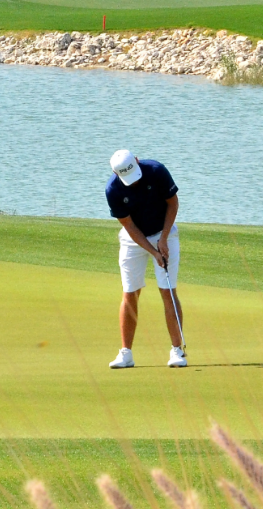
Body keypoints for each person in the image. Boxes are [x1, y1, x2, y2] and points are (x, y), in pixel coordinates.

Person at [105, 149, 186, 369]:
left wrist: (164, 239)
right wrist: (153, 251)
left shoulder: (157, 171)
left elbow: (173, 203)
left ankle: (177, 350)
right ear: (116, 173)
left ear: (137, 161)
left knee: (167, 290)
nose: (133, 183)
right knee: (130, 292)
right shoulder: (112, 190)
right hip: (133, 239)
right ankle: (126, 354)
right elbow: (129, 226)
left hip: (164, 232)